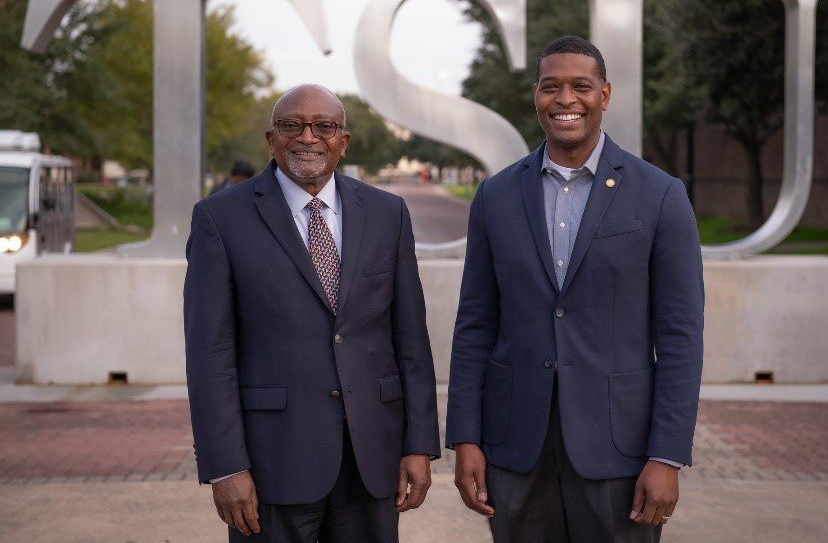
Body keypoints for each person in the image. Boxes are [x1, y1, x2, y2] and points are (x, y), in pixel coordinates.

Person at [446, 36, 704, 542]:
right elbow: (474, 325)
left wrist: (666, 455)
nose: (566, 100)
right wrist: (465, 438)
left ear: (604, 94)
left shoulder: (661, 195)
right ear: (536, 96)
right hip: (515, 447)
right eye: (551, 87)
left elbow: (681, 337)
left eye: (580, 86)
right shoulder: (495, 196)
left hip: (619, 451)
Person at [184, 84, 440, 542]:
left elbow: (410, 341)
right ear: (270, 138)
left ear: (343, 141)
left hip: (370, 459)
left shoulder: (387, 213)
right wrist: (224, 466)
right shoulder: (220, 219)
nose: (308, 137)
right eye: (292, 125)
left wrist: (418, 444)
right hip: (272, 465)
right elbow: (210, 354)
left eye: (324, 126)